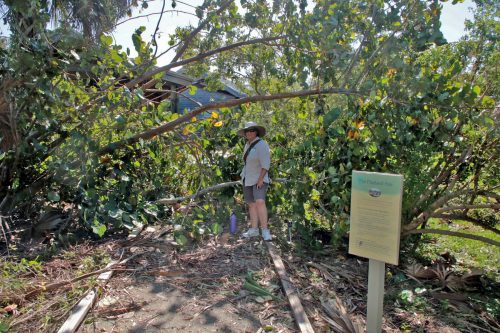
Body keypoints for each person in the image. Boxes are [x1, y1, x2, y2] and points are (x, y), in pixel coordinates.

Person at [238, 121, 272, 241]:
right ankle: (254, 229)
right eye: (247, 131)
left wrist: (261, 179)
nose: (249, 133)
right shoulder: (247, 145)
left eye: (251, 130)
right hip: (248, 178)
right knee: (251, 204)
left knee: (260, 202)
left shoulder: (262, 144)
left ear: (256, 132)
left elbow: (266, 164)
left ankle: (265, 230)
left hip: (259, 179)